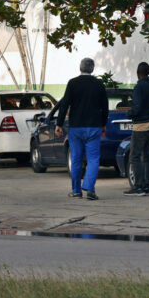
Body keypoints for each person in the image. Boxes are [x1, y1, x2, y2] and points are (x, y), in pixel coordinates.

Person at [55, 58, 108, 200]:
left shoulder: (73, 83)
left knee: (76, 159)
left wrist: (59, 124)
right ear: (92, 69)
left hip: (76, 128)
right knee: (93, 159)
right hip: (94, 127)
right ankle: (90, 189)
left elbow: (64, 104)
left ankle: (76, 190)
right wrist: (103, 124)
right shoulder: (98, 84)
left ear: (80, 68)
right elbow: (105, 106)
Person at [124, 62, 149, 197]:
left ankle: (138, 186)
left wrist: (129, 114)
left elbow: (137, 108)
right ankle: (148, 186)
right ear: (148, 72)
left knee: (135, 156)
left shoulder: (138, 87)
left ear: (138, 74)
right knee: (147, 156)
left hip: (140, 126)